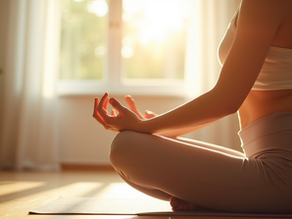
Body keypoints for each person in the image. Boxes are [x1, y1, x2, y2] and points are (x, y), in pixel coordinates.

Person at [93, 0, 292, 213]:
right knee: (136, 143)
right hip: (266, 162)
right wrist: (152, 128)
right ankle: (214, 198)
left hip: (282, 174)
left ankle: (213, 198)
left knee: (126, 147)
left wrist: (143, 126)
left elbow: (226, 101)